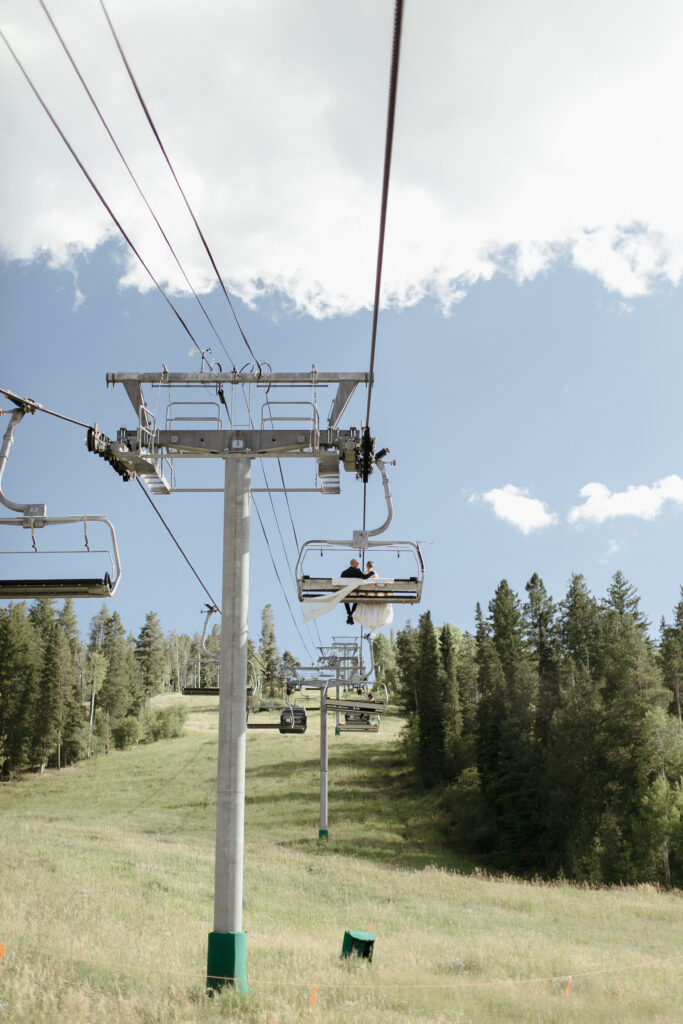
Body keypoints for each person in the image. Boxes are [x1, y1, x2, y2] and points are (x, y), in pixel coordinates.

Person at [340, 558, 373, 624]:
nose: (358, 564)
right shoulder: (357, 571)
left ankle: (349, 613)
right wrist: (371, 573)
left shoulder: (343, 573)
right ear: (353, 563)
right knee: (357, 597)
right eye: (357, 563)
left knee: (344, 598)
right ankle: (351, 613)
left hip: (346, 592)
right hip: (355, 592)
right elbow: (365, 577)